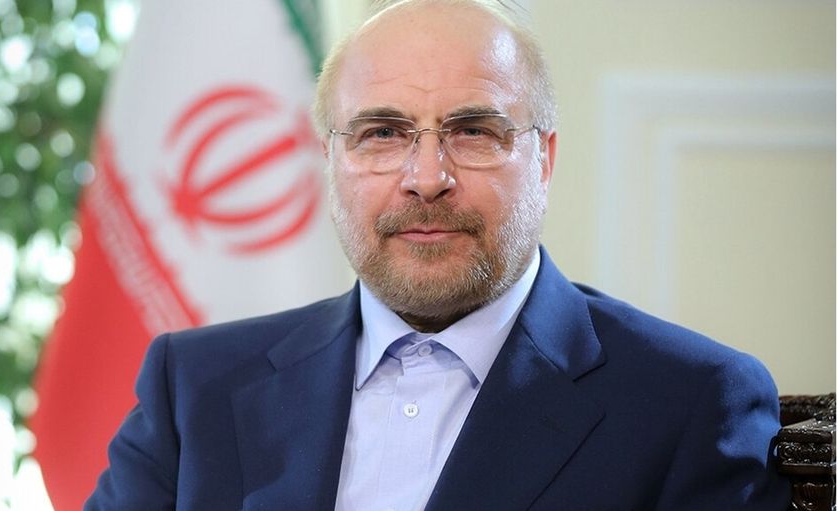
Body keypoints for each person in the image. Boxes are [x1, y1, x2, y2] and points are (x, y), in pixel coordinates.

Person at [85, 1, 790, 509]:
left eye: (474, 131)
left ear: (543, 161)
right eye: (382, 133)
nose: (426, 177)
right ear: (330, 160)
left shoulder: (691, 402)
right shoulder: (194, 388)